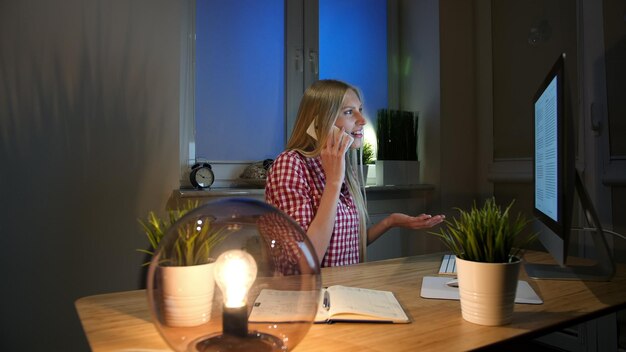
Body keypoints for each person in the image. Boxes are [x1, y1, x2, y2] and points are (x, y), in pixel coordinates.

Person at [265, 79, 445, 267]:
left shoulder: (342, 167)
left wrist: (390, 221)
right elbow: (305, 262)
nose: (363, 120)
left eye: (360, 109)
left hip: (345, 287)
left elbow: (346, 244)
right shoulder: (290, 165)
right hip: (312, 294)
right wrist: (334, 182)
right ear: (319, 123)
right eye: (349, 112)